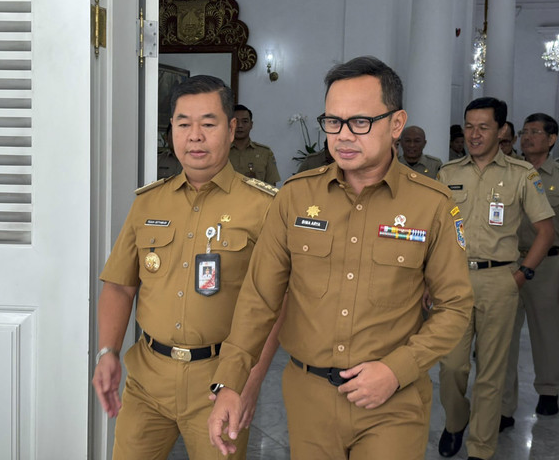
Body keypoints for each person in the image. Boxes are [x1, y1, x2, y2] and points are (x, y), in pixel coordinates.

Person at [207, 56, 473, 460]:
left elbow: (455, 307)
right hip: (308, 396)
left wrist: (396, 369)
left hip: (392, 399)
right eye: (333, 121)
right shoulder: (296, 197)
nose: (344, 135)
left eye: (360, 122)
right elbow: (259, 299)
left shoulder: (431, 204)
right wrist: (230, 382)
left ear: (396, 124)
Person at [92, 75, 284, 460]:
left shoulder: (264, 208)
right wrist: (107, 351)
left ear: (231, 130)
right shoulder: (149, 203)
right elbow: (119, 285)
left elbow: (274, 307)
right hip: (147, 379)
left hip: (220, 381)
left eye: (208, 124)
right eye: (183, 124)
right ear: (172, 131)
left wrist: (248, 383)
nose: (195, 136)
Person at [436, 98, 555, 460]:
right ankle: (456, 422)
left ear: (502, 130)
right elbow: (435, 231)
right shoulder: (448, 173)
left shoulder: (522, 175)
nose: (474, 134)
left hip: (500, 280)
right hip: (453, 281)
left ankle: (481, 447)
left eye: (483, 127)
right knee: (452, 366)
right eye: (469, 126)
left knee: (491, 371)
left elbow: (545, 231)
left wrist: (522, 274)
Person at [501, 113, 559, 431]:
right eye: (525, 132)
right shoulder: (510, 172)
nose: (527, 137)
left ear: (551, 139)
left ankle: (549, 390)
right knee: (504, 336)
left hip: (548, 264)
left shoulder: (558, 175)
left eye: (535, 132)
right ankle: (504, 405)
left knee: (546, 331)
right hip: (509, 262)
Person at [229, 104, 281, 185]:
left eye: (245, 121)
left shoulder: (265, 153)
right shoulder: (220, 153)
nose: (240, 126)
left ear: (251, 124)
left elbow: (272, 188)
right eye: (236, 121)